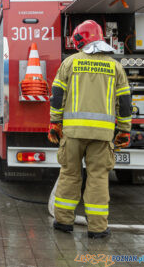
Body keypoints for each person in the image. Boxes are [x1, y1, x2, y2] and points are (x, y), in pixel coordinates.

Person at [49, 20, 131, 238]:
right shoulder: (115, 67)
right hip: (102, 136)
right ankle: (97, 228)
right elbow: (124, 103)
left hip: (73, 134)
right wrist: (124, 130)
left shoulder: (70, 63)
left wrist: (54, 123)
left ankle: (63, 222)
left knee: (69, 175)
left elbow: (57, 96)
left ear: (81, 39)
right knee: (98, 179)